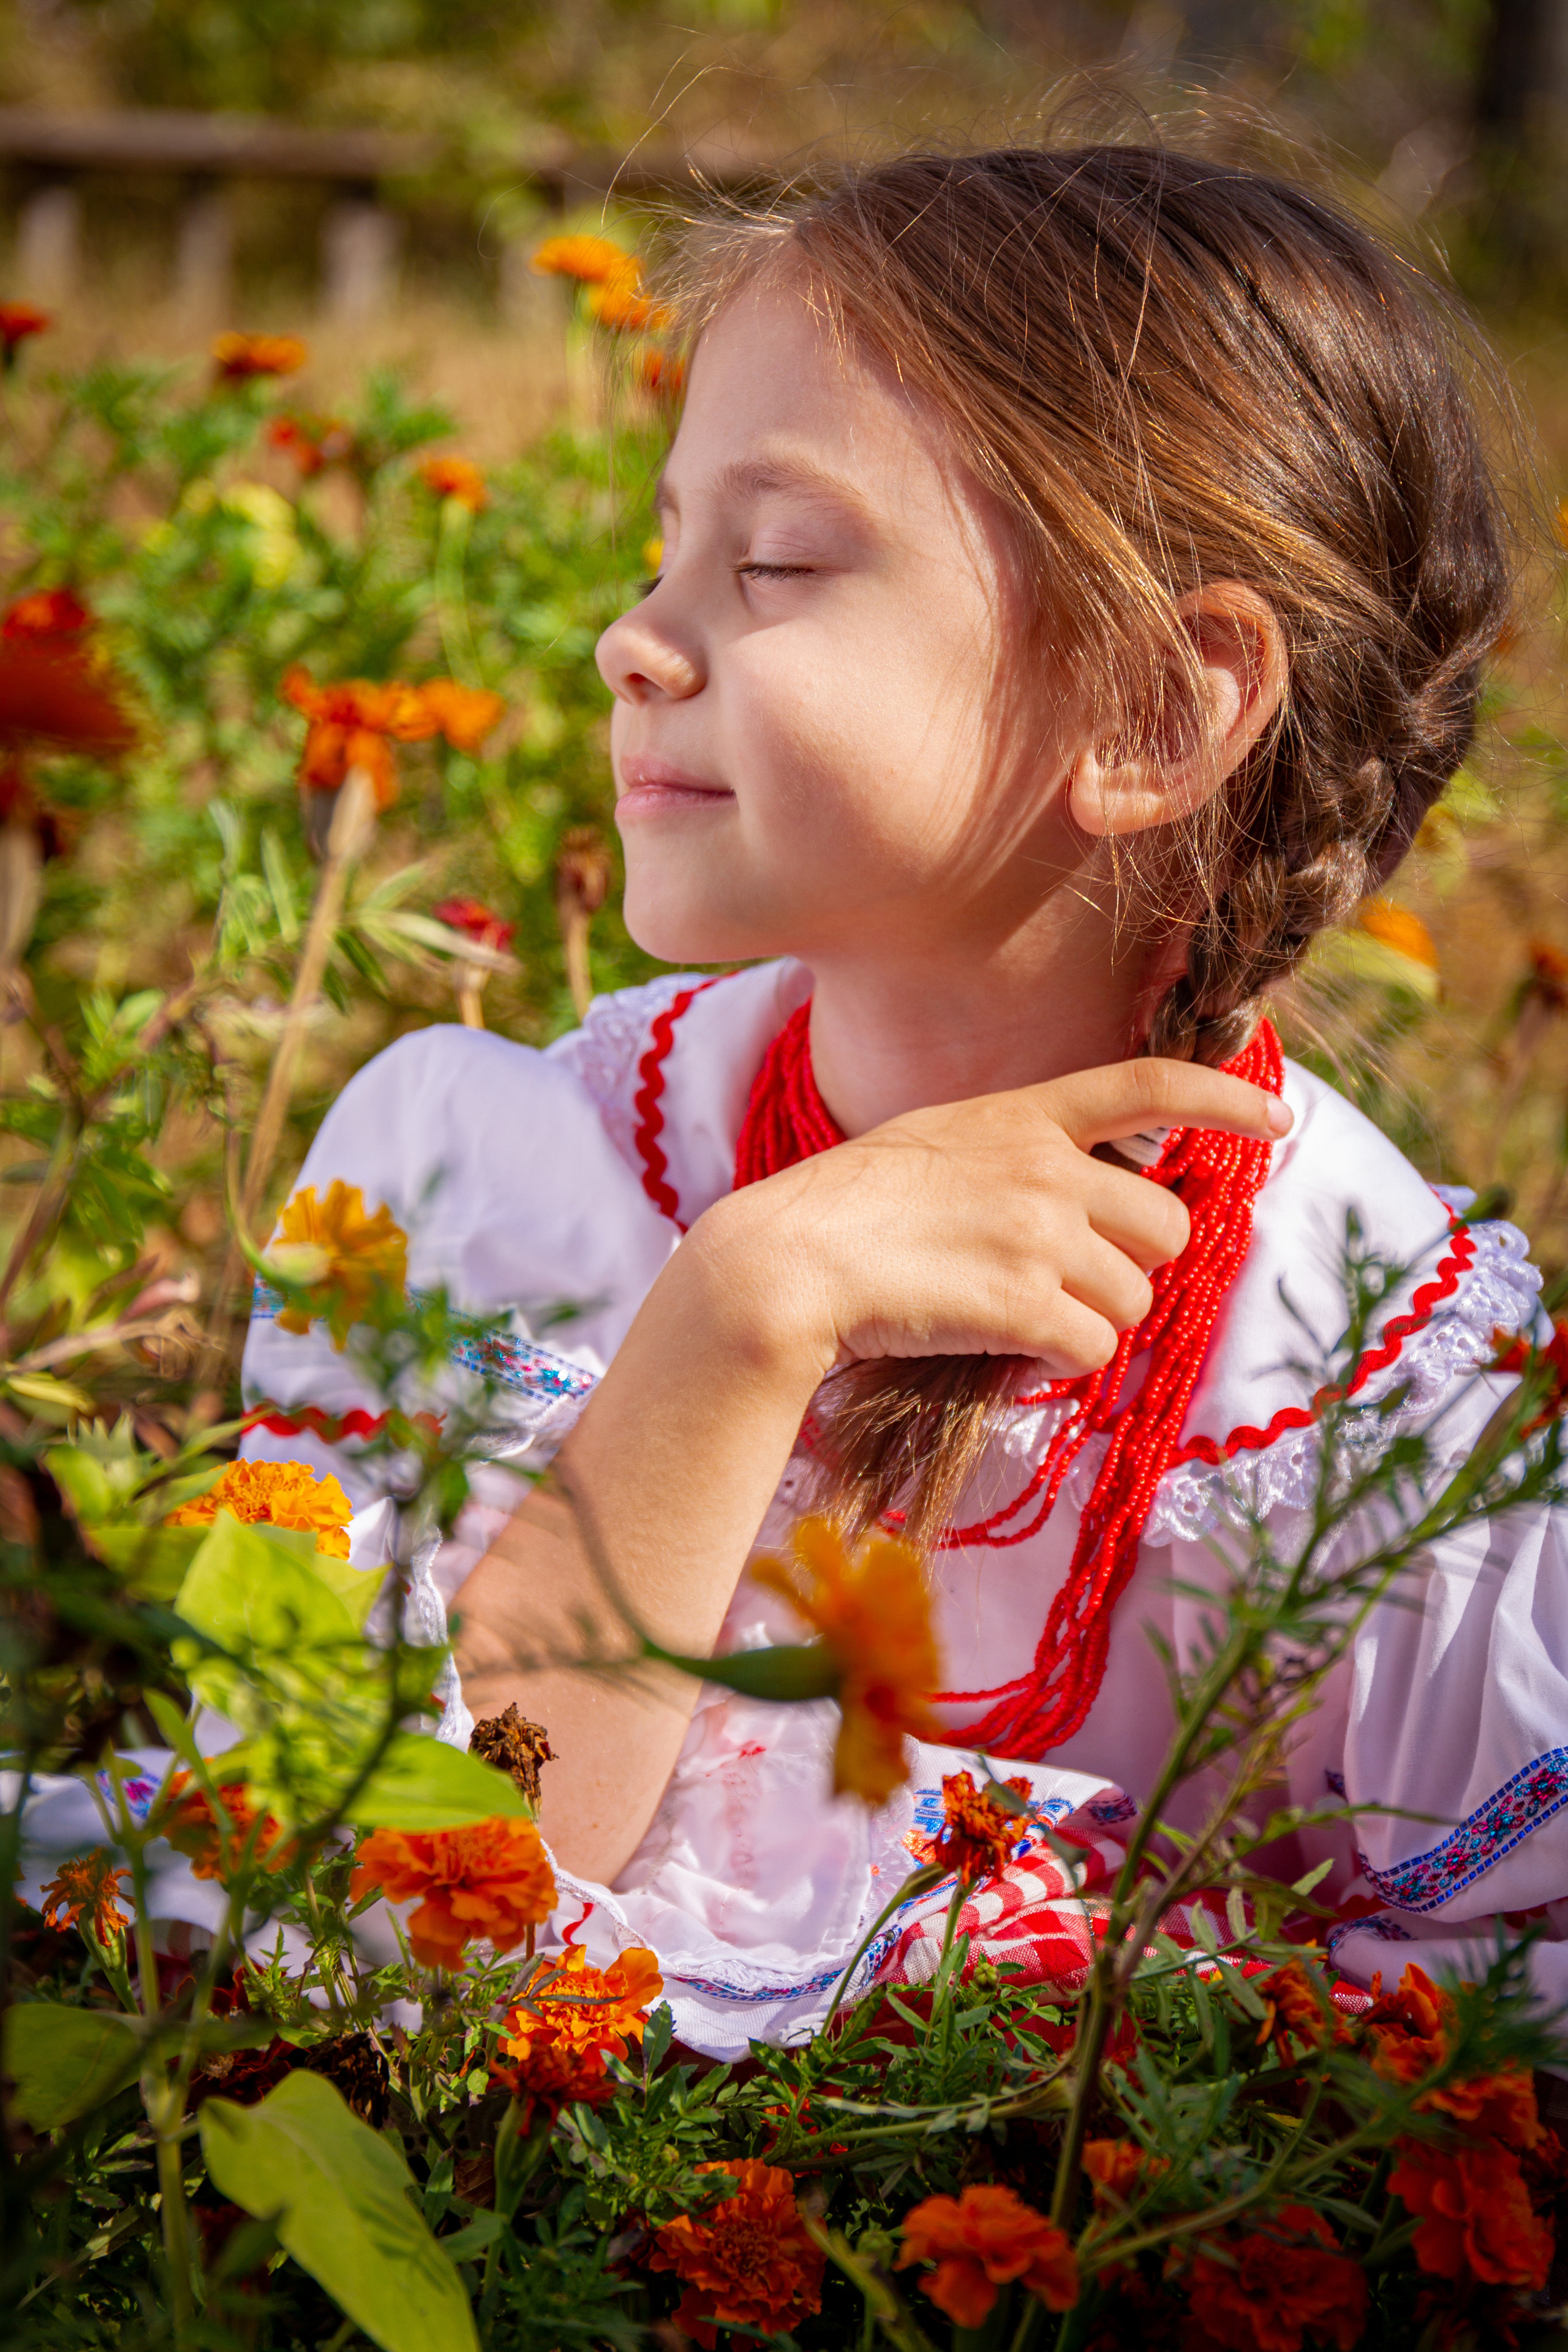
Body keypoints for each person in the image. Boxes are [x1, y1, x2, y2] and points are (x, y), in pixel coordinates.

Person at [241, 144, 1562, 2062]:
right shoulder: (515, 1174)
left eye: (772, 562)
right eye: (667, 541)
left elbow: (1473, 2098)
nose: (636, 634)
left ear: (1153, 711)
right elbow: (402, 1915)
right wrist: (742, 1312)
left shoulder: (1371, 1401)